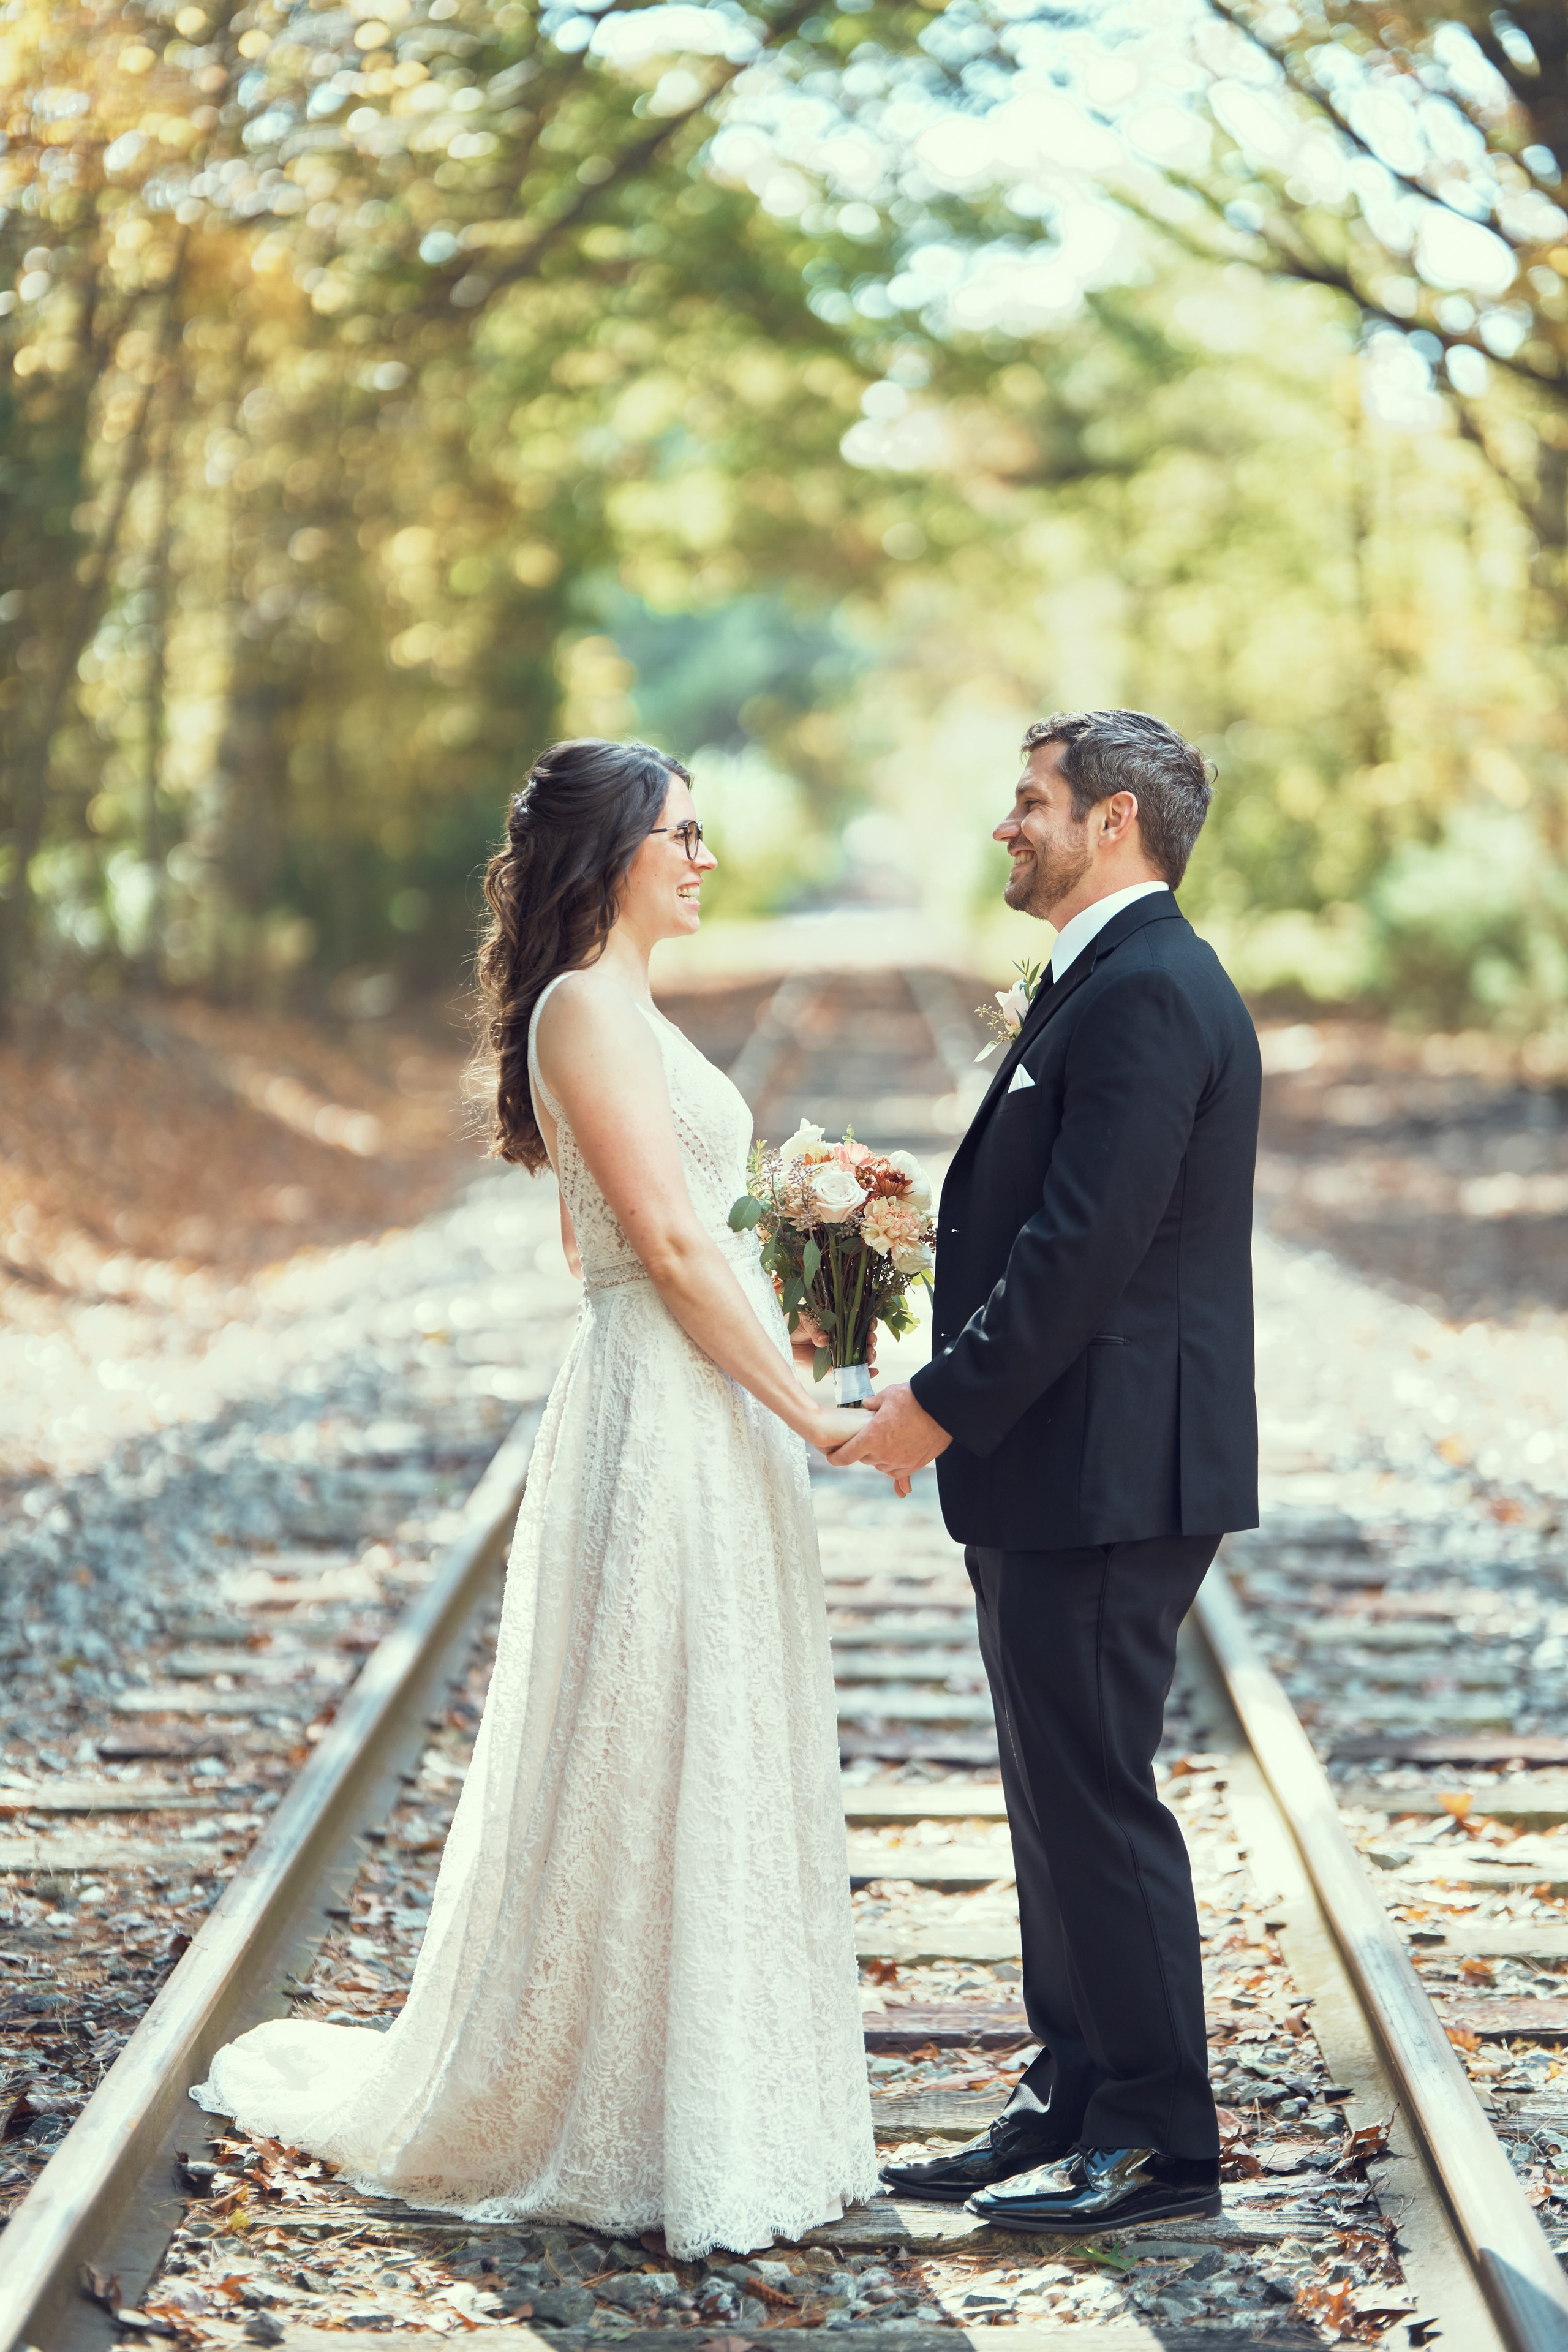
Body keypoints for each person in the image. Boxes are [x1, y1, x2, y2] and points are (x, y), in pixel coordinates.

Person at [192, 737, 878, 2256]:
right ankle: (623, 2113)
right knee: (650, 1730)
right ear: (611, 852)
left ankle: (710, 2089)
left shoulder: (623, 1009)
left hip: (699, 1396)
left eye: (703, 835)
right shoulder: (583, 1009)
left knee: (703, 1730)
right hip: (665, 1413)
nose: (704, 859)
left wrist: (809, 1287)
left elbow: (632, 1246)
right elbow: (661, 1249)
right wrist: (813, 1414)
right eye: (681, 836)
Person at [832, 709, 1260, 2236]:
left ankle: (1154, 2139)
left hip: (1108, 1468)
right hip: (1061, 1466)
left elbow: (1084, 1254)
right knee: (1051, 1794)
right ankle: (1070, 2094)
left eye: (1029, 803)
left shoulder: (1147, 992)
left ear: (1114, 821)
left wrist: (933, 1406)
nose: (1004, 826)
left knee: (1094, 1796)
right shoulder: (1106, 979)